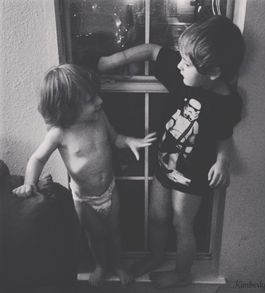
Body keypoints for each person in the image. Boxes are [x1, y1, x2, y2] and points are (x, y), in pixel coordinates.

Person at [97, 15, 245, 288]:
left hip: (192, 176)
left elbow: (225, 136)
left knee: (181, 224)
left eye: (186, 63)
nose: (179, 65)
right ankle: (155, 257)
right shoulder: (182, 78)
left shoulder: (227, 103)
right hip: (164, 164)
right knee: (156, 216)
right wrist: (111, 61)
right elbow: (152, 50)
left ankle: (181, 272)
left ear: (213, 72)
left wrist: (223, 161)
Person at [12, 64, 156, 287]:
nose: (100, 101)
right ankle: (101, 265)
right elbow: (37, 159)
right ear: (67, 108)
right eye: (90, 99)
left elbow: (115, 138)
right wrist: (29, 183)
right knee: (96, 237)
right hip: (85, 199)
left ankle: (118, 264)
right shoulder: (59, 134)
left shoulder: (100, 118)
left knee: (116, 231)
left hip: (110, 189)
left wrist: (129, 141)